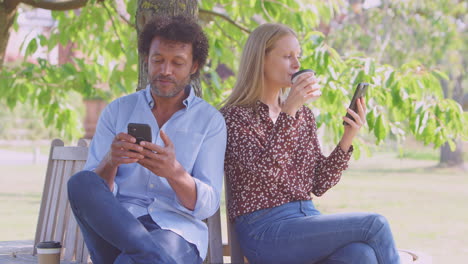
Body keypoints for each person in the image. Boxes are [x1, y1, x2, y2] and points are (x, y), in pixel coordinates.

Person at [221, 23, 400, 264]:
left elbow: (318, 184)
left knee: (361, 255)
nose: (297, 65)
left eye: (298, 56)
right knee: (375, 225)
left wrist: (348, 137)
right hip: (264, 231)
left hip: (306, 219)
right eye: (287, 57)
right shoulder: (234, 117)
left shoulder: (303, 116)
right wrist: (290, 111)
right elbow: (268, 170)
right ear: (260, 60)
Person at [67, 16, 226, 264]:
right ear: (146, 60)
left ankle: (146, 257)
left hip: (176, 233)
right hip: (116, 230)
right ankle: (150, 256)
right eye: (158, 60)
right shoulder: (118, 110)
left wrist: (174, 173)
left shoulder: (210, 121)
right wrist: (110, 162)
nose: (165, 71)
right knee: (81, 182)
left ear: (194, 66)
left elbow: (208, 206)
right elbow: (93, 197)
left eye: (177, 63)